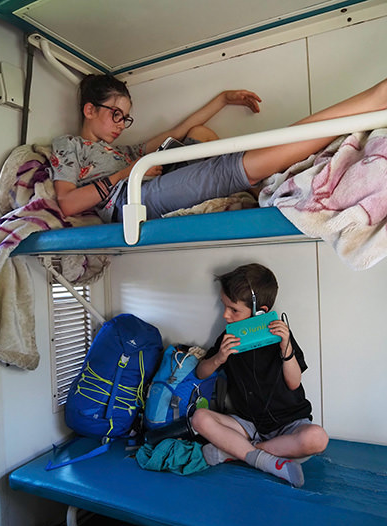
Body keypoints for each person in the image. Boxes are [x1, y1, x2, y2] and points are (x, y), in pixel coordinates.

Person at [49, 74, 387, 223]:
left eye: (126, 118)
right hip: (127, 199)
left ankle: (255, 177)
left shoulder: (123, 150)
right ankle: (372, 101)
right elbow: (66, 203)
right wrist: (127, 173)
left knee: (198, 133)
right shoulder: (69, 145)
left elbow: (177, 131)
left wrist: (223, 99)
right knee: (222, 169)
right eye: (115, 115)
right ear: (89, 110)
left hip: (141, 177)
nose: (121, 124)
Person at [191, 263, 329, 488]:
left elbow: (294, 384)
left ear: (260, 312)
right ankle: (264, 460)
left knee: (318, 438)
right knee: (199, 418)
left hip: (288, 425)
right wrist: (218, 358)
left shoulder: (280, 335)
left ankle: (236, 453)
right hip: (248, 425)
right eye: (224, 307)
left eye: (233, 310)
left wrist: (286, 346)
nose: (226, 315)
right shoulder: (229, 338)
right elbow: (200, 372)